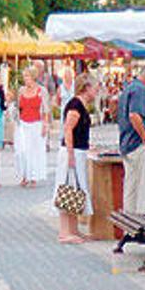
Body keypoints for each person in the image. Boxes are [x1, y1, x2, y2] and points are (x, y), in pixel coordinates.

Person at [54, 77, 95, 244]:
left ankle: (73, 229)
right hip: (72, 152)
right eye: (95, 87)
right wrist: (70, 154)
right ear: (86, 88)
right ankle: (64, 232)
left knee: (76, 189)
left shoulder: (80, 104)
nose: (96, 91)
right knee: (68, 188)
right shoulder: (75, 105)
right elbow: (68, 129)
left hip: (78, 150)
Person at [117, 66, 145, 213]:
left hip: (127, 144)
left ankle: (130, 223)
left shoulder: (128, 88)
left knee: (131, 186)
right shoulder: (140, 90)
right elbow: (134, 115)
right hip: (138, 144)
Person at [14, 67, 50, 187]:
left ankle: (33, 177)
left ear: (33, 77)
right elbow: (18, 107)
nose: (25, 79)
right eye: (24, 77)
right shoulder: (21, 90)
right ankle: (25, 175)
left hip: (36, 124)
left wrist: (45, 124)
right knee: (22, 151)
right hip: (23, 124)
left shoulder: (41, 91)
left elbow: (46, 109)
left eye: (27, 77)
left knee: (34, 151)